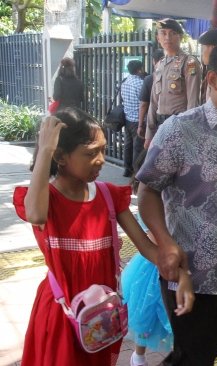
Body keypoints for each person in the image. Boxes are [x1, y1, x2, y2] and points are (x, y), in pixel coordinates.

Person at [13, 107, 195, 366]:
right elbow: (35, 214)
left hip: (101, 317)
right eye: (90, 153)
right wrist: (44, 150)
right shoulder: (46, 200)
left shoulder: (109, 196)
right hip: (61, 313)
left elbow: (147, 248)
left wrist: (180, 275)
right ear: (61, 157)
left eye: (103, 149)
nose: (100, 159)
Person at [137, 37, 217, 365]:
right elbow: (148, 190)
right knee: (194, 358)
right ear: (212, 79)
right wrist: (164, 244)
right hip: (194, 274)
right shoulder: (179, 130)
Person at [121, 213, 174, 366]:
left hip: (177, 264)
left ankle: (180, 353)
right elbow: (151, 239)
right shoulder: (152, 205)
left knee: (175, 317)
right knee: (144, 315)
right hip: (151, 267)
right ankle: (138, 356)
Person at [145, 18, 201, 148]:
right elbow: (153, 101)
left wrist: (189, 134)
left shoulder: (189, 62)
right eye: (163, 33)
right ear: (158, 38)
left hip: (179, 125)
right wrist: (149, 133)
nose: (167, 37)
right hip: (161, 125)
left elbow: (193, 102)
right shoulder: (159, 65)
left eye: (172, 33)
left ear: (180, 37)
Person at [121, 59, 145, 177]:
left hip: (127, 117)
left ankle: (127, 168)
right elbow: (143, 102)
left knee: (128, 144)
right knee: (137, 147)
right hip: (137, 119)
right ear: (139, 70)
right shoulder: (140, 83)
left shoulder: (125, 81)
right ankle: (136, 172)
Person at [138, 49, 165, 141]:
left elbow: (143, 104)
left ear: (154, 61)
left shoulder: (149, 79)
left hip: (153, 121)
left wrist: (140, 125)